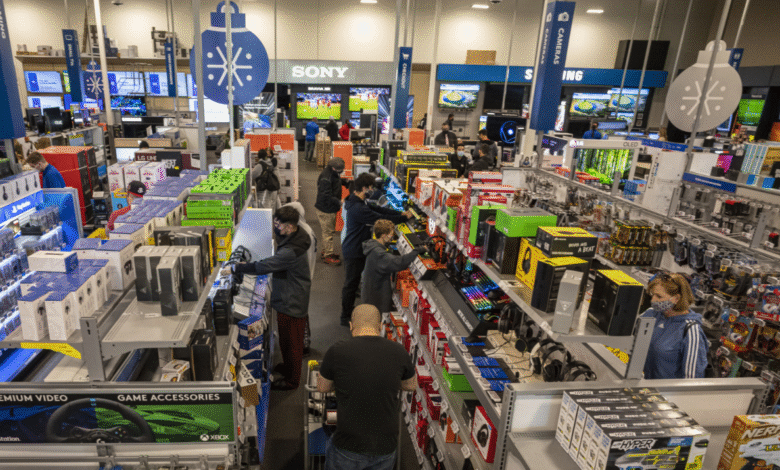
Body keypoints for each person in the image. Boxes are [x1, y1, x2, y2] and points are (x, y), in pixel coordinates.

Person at [222, 206, 311, 390]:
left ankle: (292, 380)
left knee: (292, 343)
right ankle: (288, 367)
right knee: (286, 340)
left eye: (278, 225)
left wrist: (237, 268)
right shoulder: (297, 235)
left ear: (289, 227)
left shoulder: (290, 251)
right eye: (274, 222)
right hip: (290, 296)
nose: (275, 227)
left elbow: (265, 266)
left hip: (292, 301)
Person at [318, 304, 417, 470]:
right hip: (385, 446)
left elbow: (322, 387)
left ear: (351, 325)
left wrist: (341, 384)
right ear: (380, 326)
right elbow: (411, 385)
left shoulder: (336, 351)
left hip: (348, 444)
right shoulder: (399, 351)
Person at [341, 173, 413, 326]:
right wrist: (403, 218)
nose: (372, 190)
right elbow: (378, 218)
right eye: (370, 188)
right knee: (350, 284)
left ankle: (349, 308)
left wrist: (400, 213)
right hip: (354, 250)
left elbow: (379, 210)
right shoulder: (358, 208)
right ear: (364, 188)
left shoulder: (358, 201)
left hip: (356, 247)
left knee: (353, 282)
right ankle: (345, 316)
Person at [642, 272, 709, 379]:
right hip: (642, 384)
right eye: (652, 295)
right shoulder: (651, 314)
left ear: (676, 298)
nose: (653, 300)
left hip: (665, 389)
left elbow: (691, 379)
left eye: (659, 296)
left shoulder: (690, 330)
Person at [362, 220, 427, 314]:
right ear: (383, 236)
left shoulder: (372, 245)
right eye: (391, 235)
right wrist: (417, 251)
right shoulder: (379, 254)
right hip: (375, 299)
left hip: (371, 292)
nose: (392, 237)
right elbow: (399, 263)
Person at [282, 202, 317, 357]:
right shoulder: (307, 229)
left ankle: (303, 345)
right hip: (305, 278)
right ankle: (304, 342)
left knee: (299, 314)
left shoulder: (302, 234)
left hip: (300, 280)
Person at [315, 157, 349, 266]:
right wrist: (339, 202)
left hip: (329, 208)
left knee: (328, 231)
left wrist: (345, 182)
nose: (342, 171)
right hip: (326, 209)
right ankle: (328, 256)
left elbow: (336, 181)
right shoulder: (326, 178)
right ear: (334, 168)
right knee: (328, 233)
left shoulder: (332, 173)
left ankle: (326, 251)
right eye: (340, 169)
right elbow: (325, 195)